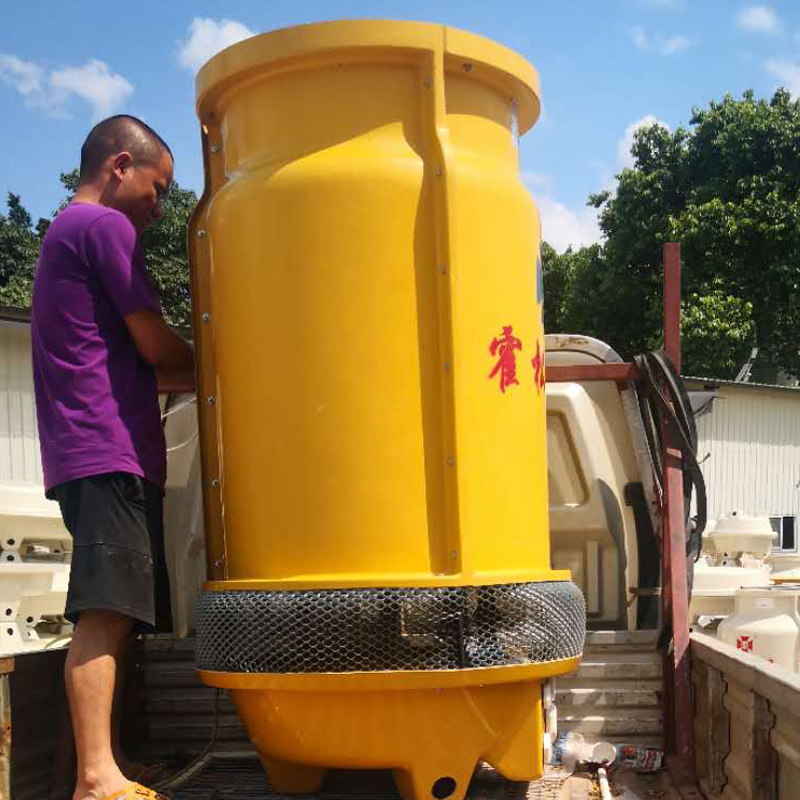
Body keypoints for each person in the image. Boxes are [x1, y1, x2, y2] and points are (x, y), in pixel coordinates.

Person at [31, 115, 195, 800]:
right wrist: (228, 359)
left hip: (98, 448)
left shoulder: (69, 235)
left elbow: (139, 365)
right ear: (119, 165)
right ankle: (99, 778)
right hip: (106, 450)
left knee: (119, 609)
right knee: (104, 609)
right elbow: (157, 347)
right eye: (157, 190)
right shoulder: (103, 228)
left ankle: (112, 761)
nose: (160, 209)